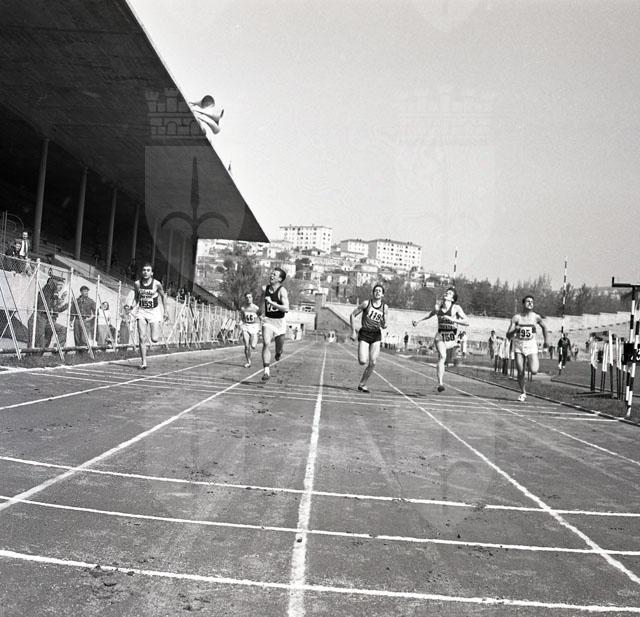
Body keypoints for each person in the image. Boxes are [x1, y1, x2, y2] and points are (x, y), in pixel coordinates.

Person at [412, 287, 468, 393]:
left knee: (446, 356)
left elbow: (466, 322)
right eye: (446, 292)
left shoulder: (456, 308)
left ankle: (456, 347)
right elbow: (430, 314)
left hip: (451, 337)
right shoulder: (438, 308)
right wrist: (418, 321)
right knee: (443, 356)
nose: (447, 293)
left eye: (450, 293)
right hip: (440, 335)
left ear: (452, 299)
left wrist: (452, 319)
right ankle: (440, 384)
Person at [506, 295, 549, 402]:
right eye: (528, 301)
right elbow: (508, 335)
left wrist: (546, 341)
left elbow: (544, 327)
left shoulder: (536, 317)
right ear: (523, 303)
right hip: (519, 346)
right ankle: (523, 392)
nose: (530, 303)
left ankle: (530, 363)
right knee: (520, 371)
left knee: (534, 371)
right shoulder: (516, 318)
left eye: (532, 302)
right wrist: (515, 330)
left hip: (531, 345)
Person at [350, 283, 388, 392]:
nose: (377, 292)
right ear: (373, 293)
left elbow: (385, 324)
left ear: (382, 295)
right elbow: (352, 315)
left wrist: (384, 323)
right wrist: (353, 331)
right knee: (362, 361)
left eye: (380, 291)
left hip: (376, 334)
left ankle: (362, 384)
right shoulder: (366, 304)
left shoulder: (385, 307)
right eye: (376, 290)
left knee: (373, 362)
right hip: (365, 333)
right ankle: (362, 380)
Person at [131, 263, 168, 369]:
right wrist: (132, 306)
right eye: (144, 270)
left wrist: (165, 311)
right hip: (142, 312)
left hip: (154, 312)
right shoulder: (137, 284)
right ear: (142, 272)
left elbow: (163, 296)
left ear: (152, 273)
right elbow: (136, 297)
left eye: (148, 270)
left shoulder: (157, 284)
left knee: (154, 339)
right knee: (141, 337)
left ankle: (155, 333)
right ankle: (144, 362)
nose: (146, 272)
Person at [258, 267, 289, 381]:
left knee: (279, 349)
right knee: (266, 343)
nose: (271, 276)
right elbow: (261, 300)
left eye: (274, 274)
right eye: (271, 274)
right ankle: (266, 371)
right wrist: (260, 311)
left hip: (280, 322)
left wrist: (271, 302)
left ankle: (278, 353)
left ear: (280, 279)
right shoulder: (265, 288)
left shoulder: (282, 291)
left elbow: (286, 308)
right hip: (268, 321)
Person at [27, 275, 68, 350]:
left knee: (62, 331)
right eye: (59, 285)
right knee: (38, 342)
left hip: (48, 320)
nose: (61, 287)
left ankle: (56, 350)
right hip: (40, 317)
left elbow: (55, 309)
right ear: (53, 283)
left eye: (62, 285)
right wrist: (59, 301)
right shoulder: (47, 290)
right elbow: (49, 306)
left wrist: (65, 303)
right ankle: (33, 355)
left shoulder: (54, 293)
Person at [238, 291, 260, 368]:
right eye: (247, 297)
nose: (248, 299)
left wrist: (260, 328)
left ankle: (256, 337)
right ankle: (248, 362)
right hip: (246, 326)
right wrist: (240, 323)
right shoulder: (243, 308)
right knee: (247, 346)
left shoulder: (256, 308)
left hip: (254, 326)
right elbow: (242, 318)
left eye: (250, 297)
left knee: (253, 346)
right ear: (245, 298)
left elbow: (261, 317)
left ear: (252, 298)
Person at [72, 285, 96, 351]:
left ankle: (84, 353)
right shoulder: (76, 300)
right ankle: (77, 353)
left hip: (86, 320)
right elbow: (72, 310)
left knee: (84, 338)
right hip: (77, 320)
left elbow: (96, 312)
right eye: (85, 291)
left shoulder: (91, 301)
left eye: (87, 291)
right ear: (81, 292)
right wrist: (71, 320)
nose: (86, 292)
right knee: (77, 337)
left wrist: (90, 318)